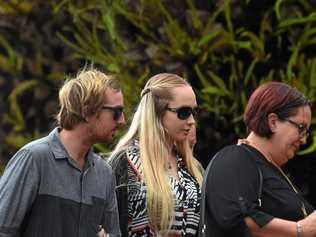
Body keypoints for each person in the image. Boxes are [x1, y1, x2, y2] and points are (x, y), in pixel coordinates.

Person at [0, 68, 125, 237]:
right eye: (116, 113)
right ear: (87, 111)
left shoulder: (104, 174)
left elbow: (114, 233)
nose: (122, 121)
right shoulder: (34, 159)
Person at [202, 81, 316, 237]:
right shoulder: (235, 158)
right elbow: (235, 217)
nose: (303, 140)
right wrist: (299, 229)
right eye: (301, 128)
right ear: (273, 122)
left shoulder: (269, 169)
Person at [108, 73, 203, 237]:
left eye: (194, 112)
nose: (191, 120)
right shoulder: (126, 163)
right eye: (184, 112)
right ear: (157, 112)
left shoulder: (193, 167)